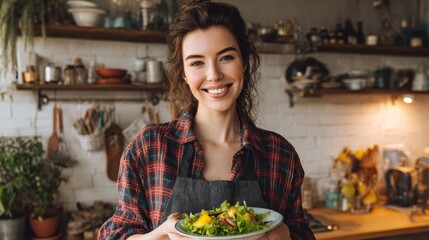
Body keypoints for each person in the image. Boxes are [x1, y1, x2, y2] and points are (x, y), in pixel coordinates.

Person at [98, 0, 315, 239]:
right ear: (184, 73)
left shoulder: (278, 154)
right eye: (197, 62)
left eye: (226, 57)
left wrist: (285, 235)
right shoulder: (150, 147)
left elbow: (302, 233)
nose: (213, 75)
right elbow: (114, 235)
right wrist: (160, 235)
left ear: (244, 62)